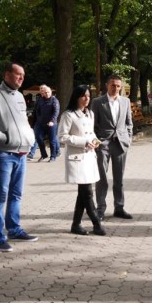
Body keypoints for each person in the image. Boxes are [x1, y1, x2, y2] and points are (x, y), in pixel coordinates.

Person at [0, 62, 37, 252]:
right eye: (18, 74)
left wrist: (30, 138)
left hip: (21, 154)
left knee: (16, 195)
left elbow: (23, 123)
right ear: (7, 75)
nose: (22, 78)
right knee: (0, 197)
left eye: (23, 74)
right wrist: (3, 138)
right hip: (3, 154)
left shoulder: (20, 96)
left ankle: (14, 229)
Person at [58, 85, 107, 236]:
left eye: (88, 96)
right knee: (87, 192)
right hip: (77, 159)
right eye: (83, 96)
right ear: (76, 97)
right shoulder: (68, 115)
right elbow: (62, 137)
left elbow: (90, 133)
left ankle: (76, 224)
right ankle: (96, 223)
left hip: (89, 157)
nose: (87, 99)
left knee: (83, 193)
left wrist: (95, 141)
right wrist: (84, 142)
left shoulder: (90, 113)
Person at [93, 74, 134, 220]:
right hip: (103, 144)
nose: (115, 88)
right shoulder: (98, 102)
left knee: (119, 178)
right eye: (113, 85)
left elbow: (129, 122)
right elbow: (93, 124)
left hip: (120, 144)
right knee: (101, 178)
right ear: (107, 85)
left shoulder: (125, 101)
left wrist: (128, 139)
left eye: (118, 86)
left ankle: (119, 207)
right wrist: (96, 141)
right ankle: (100, 209)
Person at [33, 84, 61, 162]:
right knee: (38, 138)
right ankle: (43, 155)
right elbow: (37, 111)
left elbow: (56, 112)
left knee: (52, 141)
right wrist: (37, 120)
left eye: (48, 92)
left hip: (51, 124)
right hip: (40, 123)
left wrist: (52, 121)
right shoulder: (40, 100)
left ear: (51, 92)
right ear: (43, 93)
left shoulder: (54, 100)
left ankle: (53, 156)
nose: (47, 94)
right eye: (45, 92)